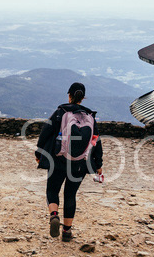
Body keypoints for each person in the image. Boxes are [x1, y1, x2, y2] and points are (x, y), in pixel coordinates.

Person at [34, 82, 103, 242]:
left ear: (69, 95)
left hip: (58, 159)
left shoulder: (61, 112)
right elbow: (96, 141)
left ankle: (54, 215)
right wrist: (98, 164)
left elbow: (45, 132)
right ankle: (66, 231)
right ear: (83, 98)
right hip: (80, 163)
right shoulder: (90, 117)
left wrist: (39, 152)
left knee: (52, 190)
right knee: (70, 194)